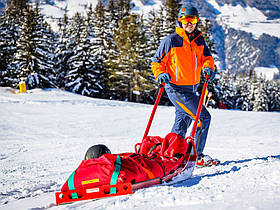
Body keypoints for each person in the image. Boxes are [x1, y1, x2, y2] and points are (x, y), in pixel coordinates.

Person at [151, 5, 219, 167]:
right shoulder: (171, 41)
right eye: (187, 20)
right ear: (180, 20)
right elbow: (156, 61)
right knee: (203, 118)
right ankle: (196, 156)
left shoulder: (198, 40)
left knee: (182, 123)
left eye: (193, 20)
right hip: (176, 89)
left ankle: (172, 153)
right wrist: (160, 74)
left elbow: (207, 58)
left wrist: (208, 67)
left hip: (191, 89)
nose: (190, 23)